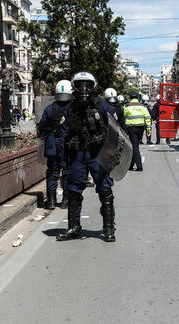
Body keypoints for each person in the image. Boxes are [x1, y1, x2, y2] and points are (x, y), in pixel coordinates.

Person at [57, 71, 118, 242]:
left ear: (93, 88)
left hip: (97, 155)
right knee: (74, 190)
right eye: (80, 85)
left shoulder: (103, 107)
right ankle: (74, 228)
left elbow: (116, 130)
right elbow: (63, 134)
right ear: (74, 88)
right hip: (78, 155)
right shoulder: (70, 109)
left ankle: (108, 228)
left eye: (87, 85)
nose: (84, 89)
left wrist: (111, 151)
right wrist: (61, 157)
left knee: (105, 190)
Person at [39, 80, 73, 210]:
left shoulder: (49, 109)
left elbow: (42, 126)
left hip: (52, 144)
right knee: (67, 172)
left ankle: (52, 201)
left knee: (53, 172)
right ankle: (65, 201)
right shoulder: (72, 109)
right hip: (67, 145)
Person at [124, 91, 152, 171]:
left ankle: (139, 166)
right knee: (134, 146)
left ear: (130, 98)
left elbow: (124, 117)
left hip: (131, 128)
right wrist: (148, 129)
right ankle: (131, 165)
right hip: (141, 129)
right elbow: (147, 117)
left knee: (134, 146)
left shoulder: (126, 106)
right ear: (137, 98)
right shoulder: (143, 106)